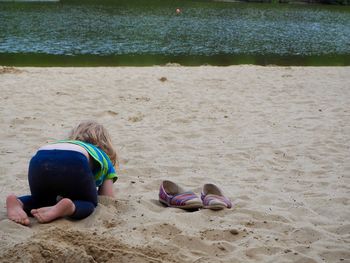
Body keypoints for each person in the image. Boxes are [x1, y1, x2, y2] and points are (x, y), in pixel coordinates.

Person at [6, 121, 118, 226]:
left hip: (40, 157)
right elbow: (107, 198)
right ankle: (69, 207)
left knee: (41, 200)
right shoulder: (103, 156)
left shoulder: (66, 143)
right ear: (106, 143)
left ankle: (18, 202)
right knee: (88, 202)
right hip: (75, 159)